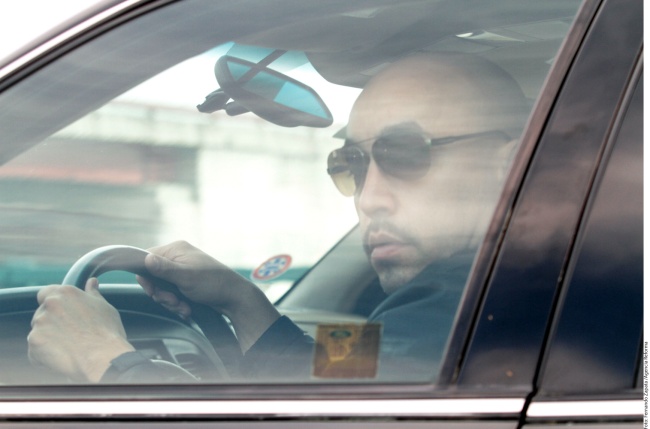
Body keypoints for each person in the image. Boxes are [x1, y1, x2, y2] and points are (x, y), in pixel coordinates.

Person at [27, 53, 527, 383]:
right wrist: (242, 302)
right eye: (351, 164)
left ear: (510, 168)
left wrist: (102, 358)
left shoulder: (463, 303)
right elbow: (346, 378)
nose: (369, 198)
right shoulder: (471, 306)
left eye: (405, 154)